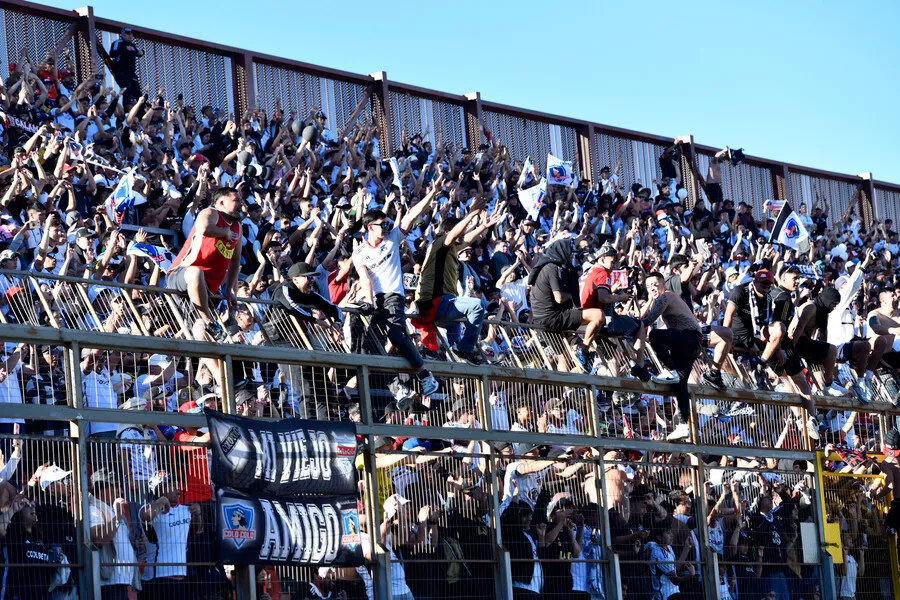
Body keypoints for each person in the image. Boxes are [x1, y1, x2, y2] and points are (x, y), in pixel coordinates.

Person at [353, 195, 439, 396]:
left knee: (395, 334)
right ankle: (397, 388)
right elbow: (365, 279)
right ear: (370, 227)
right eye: (382, 224)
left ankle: (425, 374)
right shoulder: (359, 252)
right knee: (369, 345)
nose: (386, 227)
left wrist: (431, 193)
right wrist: (369, 301)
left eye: (387, 223)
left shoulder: (392, 238)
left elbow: (411, 215)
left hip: (393, 296)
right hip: (376, 299)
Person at [725, 269, 818, 439]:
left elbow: (773, 323)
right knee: (795, 379)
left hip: (770, 343)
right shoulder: (779, 297)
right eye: (794, 278)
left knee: (795, 380)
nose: (765, 287)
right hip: (774, 344)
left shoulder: (774, 296)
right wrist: (727, 339)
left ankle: (807, 419)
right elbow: (780, 324)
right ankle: (805, 417)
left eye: (768, 283)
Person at [413, 202, 495, 364]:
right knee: (477, 305)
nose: (463, 234)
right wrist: (470, 215)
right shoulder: (439, 244)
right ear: (447, 232)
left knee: (456, 350)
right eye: (459, 231)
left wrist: (484, 225)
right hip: (436, 301)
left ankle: (457, 356)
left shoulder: (450, 249)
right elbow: (454, 237)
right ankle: (466, 348)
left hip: (445, 305)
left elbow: (467, 240)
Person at [167, 187, 244, 343]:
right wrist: (225, 233)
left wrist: (230, 290)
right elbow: (204, 229)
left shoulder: (237, 226)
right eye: (236, 200)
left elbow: (235, 261)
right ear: (222, 202)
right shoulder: (210, 213)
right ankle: (210, 322)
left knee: (200, 334)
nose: (241, 203)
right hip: (180, 275)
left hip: (206, 289)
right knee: (196, 272)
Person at [640, 271, 706, 441]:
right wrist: (648, 301)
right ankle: (684, 426)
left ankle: (670, 369)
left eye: (655, 284)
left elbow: (647, 320)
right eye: (649, 286)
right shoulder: (660, 298)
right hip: (691, 341)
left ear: (664, 285)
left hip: (689, 336)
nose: (652, 288)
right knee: (680, 384)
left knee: (655, 335)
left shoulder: (666, 296)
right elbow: (644, 317)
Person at [530, 238, 606, 372]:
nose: (572, 256)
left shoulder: (546, 268)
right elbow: (559, 298)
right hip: (553, 317)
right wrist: (571, 295)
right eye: (570, 253)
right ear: (561, 252)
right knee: (598, 315)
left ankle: (568, 390)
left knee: (562, 356)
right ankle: (583, 349)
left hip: (540, 321)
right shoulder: (551, 268)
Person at [579, 245, 652, 379]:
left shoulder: (588, 272)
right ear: (602, 259)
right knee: (639, 325)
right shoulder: (602, 273)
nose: (615, 265)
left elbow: (595, 296)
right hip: (602, 321)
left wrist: (612, 291)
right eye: (612, 262)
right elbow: (603, 298)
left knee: (612, 361)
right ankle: (640, 365)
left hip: (586, 321)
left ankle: (594, 382)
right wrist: (621, 297)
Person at [108, 27, 143, 106]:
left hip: (131, 72)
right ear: (122, 35)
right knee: (126, 90)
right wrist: (124, 49)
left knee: (137, 92)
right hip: (121, 71)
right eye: (127, 34)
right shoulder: (118, 42)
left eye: (131, 34)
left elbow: (139, 53)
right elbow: (112, 54)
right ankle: (126, 111)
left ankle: (139, 110)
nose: (130, 36)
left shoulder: (132, 45)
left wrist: (141, 52)